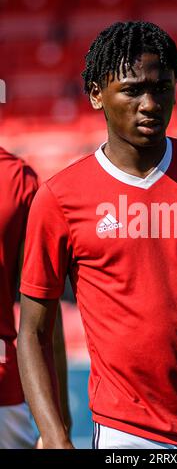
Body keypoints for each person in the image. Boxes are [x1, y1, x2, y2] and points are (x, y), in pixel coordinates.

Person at [18, 21, 177, 449]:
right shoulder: (59, 198)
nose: (150, 104)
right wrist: (54, 435)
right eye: (133, 90)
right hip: (130, 437)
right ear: (97, 94)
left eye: (162, 88)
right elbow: (32, 333)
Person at [0, 147, 70, 448]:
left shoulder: (19, 179)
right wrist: (59, 423)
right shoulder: (16, 178)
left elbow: (41, 308)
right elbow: (42, 311)